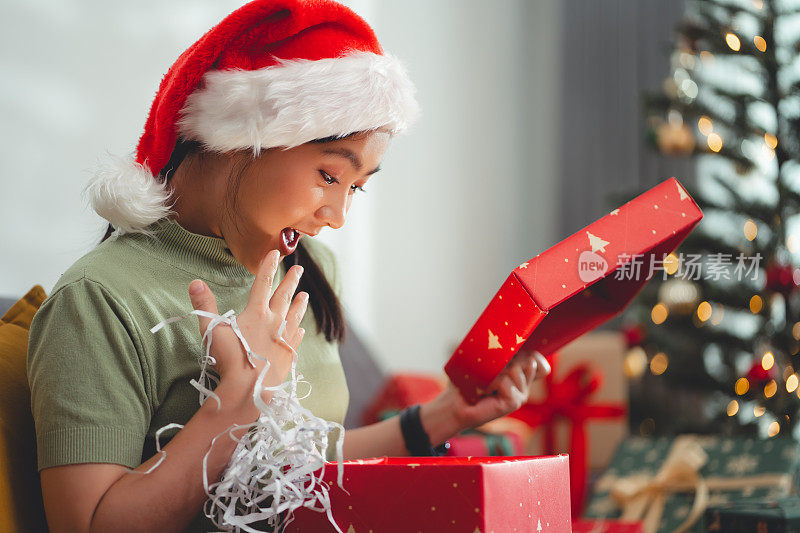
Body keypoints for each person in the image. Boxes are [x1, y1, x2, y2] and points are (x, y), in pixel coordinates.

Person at [26, 1, 552, 532]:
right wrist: (236, 400)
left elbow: (307, 466)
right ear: (240, 139)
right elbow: (90, 525)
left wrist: (442, 416)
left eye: (357, 187)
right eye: (329, 175)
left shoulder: (309, 268)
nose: (339, 215)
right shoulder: (99, 298)